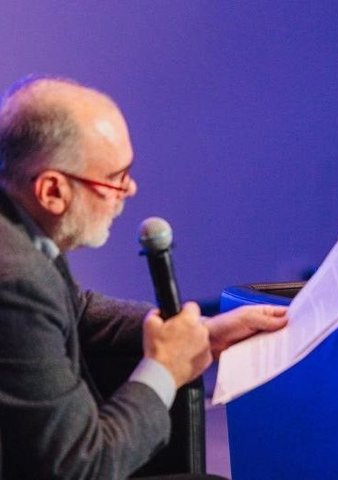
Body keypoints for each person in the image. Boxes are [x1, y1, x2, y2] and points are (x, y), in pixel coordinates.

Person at [0, 76, 289, 479]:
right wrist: (166, 368)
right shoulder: (16, 279)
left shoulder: (21, 233)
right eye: (115, 177)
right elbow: (83, 466)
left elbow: (73, 308)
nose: (130, 188)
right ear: (52, 191)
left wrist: (199, 334)